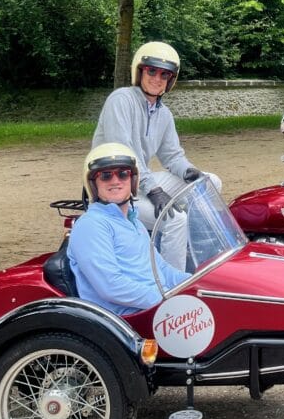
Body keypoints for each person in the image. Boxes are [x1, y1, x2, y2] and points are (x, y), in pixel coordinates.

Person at [92, 41, 221, 268]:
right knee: (175, 220)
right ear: (140, 72)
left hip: (141, 184)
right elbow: (125, 155)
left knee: (211, 184)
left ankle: (190, 253)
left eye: (164, 74)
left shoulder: (164, 114)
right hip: (113, 189)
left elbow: (172, 156)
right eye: (151, 71)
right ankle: (172, 285)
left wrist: (189, 171)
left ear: (170, 80)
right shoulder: (121, 100)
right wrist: (154, 190)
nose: (156, 78)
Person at [68, 143, 186, 316]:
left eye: (123, 173)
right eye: (105, 176)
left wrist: (198, 282)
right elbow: (110, 285)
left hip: (156, 308)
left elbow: (162, 270)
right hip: (131, 317)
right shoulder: (92, 225)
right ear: (93, 184)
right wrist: (165, 299)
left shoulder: (133, 222)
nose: (115, 181)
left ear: (133, 180)